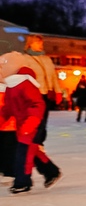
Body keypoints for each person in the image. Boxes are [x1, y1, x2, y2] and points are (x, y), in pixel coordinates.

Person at [0, 52, 62, 194]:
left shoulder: (25, 84)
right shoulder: (11, 86)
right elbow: (7, 109)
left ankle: (23, 181)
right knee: (31, 150)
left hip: (33, 123)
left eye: (2, 68)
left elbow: (37, 104)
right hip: (23, 124)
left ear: (12, 67)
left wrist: (32, 122)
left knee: (23, 153)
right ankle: (51, 171)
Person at [0, 75, 17, 185]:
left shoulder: (7, 90)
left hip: (9, 125)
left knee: (8, 150)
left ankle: (9, 173)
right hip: (6, 125)